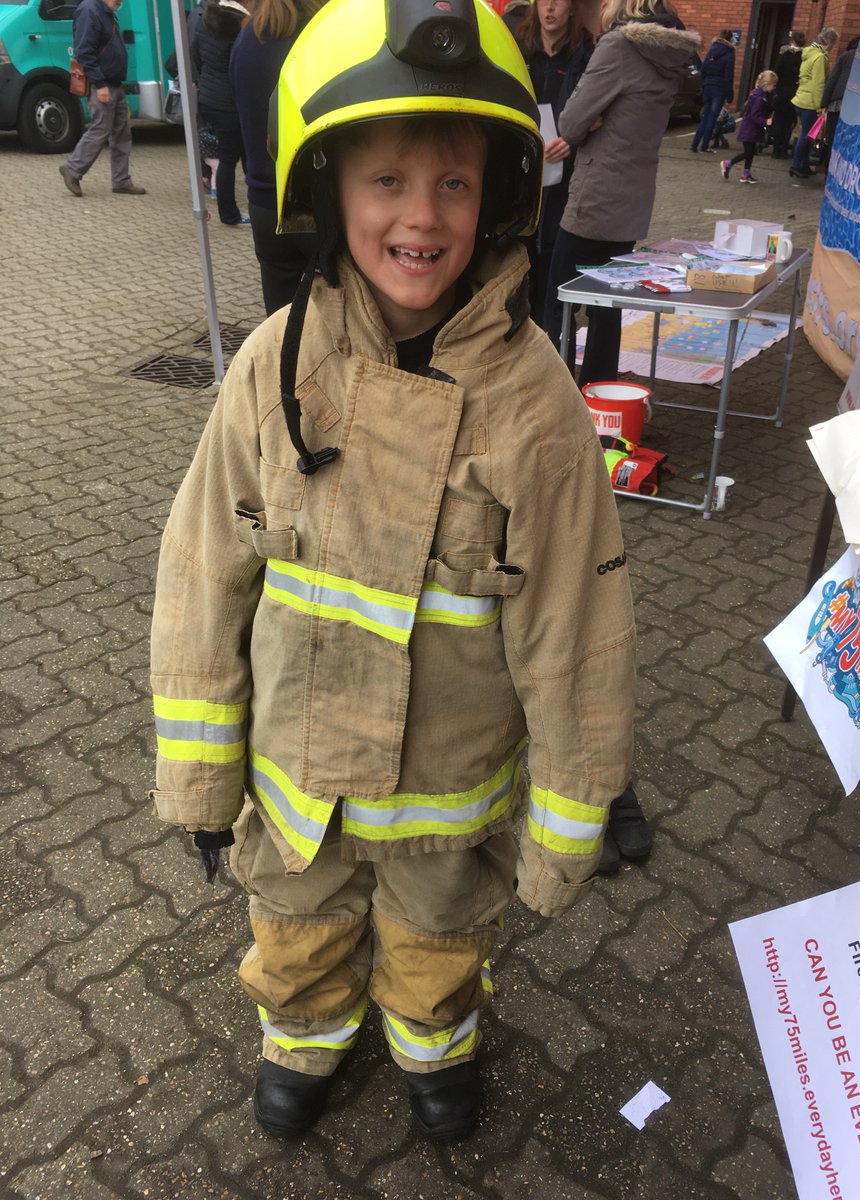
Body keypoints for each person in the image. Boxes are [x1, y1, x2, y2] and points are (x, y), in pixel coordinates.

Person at [150, 0, 635, 1145]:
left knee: (437, 937)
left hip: (445, 800)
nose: (422, 217)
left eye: (455, 185)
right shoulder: (274, 370)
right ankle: (306, 1034)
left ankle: (433, 1038)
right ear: (325, 190)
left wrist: (568, 824)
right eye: (387, 182)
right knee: (299, 926)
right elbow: (201, 572)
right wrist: (200, 781)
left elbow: (580, 622)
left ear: (501, 195)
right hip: (298, 783)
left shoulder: (536, 406)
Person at [545, 0, 700, 381]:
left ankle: (554, 393)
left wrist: (593, 119)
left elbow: (570, 121)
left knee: (559, 299)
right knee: (607, 305)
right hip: (633, 197)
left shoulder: (619, 46)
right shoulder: (671, 51)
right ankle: (598, 393)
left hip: (595, 196)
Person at [231, 0, 322, 312]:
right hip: (317, 199)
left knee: (280, 323)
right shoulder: (318, 33)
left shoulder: (246, 38)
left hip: (264, 200)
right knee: (341, 318)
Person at [514, 0, 594, 328]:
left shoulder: (586, 53)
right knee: (521, 261)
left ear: (572, 8)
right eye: (543, 0)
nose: (550, 7)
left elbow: (599, 108)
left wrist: (573, 140)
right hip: (522, 173)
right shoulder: (518, 48)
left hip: (566, 180)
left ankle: (554, 341)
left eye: (558, 1)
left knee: (556, 265)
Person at [58, 0, 146, 197]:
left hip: (113, 82)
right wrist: (99, 84)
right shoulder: (90, 11)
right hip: (103, 84)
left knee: (121, 133)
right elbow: (84, 52)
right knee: (100, 129)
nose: (120, 2)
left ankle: (121, 181)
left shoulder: (104, 11)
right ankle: (72, 169)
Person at [191, 0, 251, 224]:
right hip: (231, 101)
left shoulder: (204, 20)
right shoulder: (237, 24)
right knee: (233, 158)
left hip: (210, 97)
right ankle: (231, 214)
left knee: (232, 156)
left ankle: (238, 210)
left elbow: (195, 55)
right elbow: (243, 64)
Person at [789, 27, 838, 179]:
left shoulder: (808, 53)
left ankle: (802, 165)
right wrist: (820, 107)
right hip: (810, 103)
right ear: (829, 43)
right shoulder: (819, 58)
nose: (833, 47)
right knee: (807, 136)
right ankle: (796, 165)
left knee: (807, 135)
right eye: (833, 43)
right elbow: (819, 84)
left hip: (800, 99)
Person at [721, 70, 777, 184]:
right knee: (748, 152)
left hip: (751, 127)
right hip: (750, 128)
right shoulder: (759, 97)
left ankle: (746, 173)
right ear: (767, 84)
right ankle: (728, 163)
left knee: (751, 151)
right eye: (773, 85)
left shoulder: (759, 94)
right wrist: (766, 121)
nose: (774, 87)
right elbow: (755, 114)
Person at [818, 34, 859, 172]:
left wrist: (824, 104)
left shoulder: (845, 56)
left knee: (832, 138)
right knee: (848, 141)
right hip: (855, 106)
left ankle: (828, 171)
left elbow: (832, 80)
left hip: (837, 103)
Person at [690, 28, 734, 154]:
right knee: (712, 118)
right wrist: (730, 95)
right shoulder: (729, 53)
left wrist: (706, 82)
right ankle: (704, 146)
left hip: (708, 87)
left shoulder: (712, 49)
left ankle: (694, 145)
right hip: (719, 89)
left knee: (705, 117)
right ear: (730, 39)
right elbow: (728, 76)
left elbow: (703, 69)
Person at [770, 30, 805, 159]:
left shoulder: (784, 56)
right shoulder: (804, 58)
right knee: (789, 123)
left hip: (781, 92)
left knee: (779, 120)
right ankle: (784, 149)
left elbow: (776, 73)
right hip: (795, 94)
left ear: (792, 41)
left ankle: (775, 149)